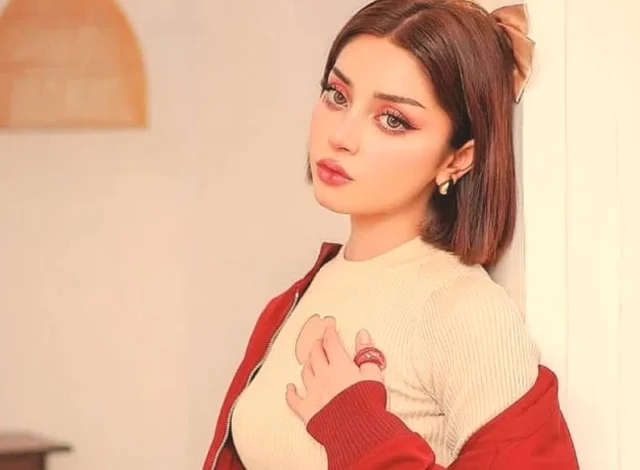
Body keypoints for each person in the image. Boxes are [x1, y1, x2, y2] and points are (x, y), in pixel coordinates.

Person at [202, 1, 580, 469]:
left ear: (457, 158)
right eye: (337, 95)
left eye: (393, 119)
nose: (342, 135)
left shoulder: (465, 311)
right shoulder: (296, 299)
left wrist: (356, 428)